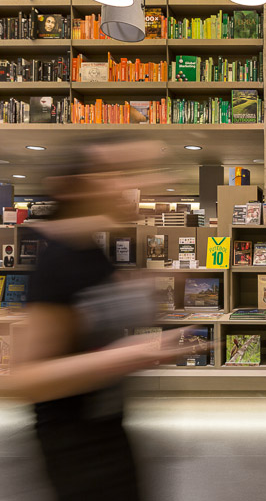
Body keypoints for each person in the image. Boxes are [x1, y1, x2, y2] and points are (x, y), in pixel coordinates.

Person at [6, 140, 190, 501]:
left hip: (108, 431)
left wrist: (153, 291)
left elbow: (95, 317)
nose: (124, 184)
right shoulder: (58, 260)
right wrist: (124, 356)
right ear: (75, 188)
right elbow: (24, 380)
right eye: (110, 174)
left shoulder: (94, 251)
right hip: (75, 449)